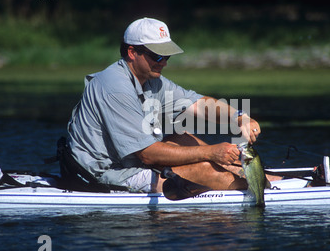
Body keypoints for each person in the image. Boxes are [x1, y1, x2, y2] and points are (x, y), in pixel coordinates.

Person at [65, 17, 264, 193]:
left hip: (132, 161)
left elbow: (197, 104)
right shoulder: (115, 87)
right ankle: (259, 189)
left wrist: (239, 117)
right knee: (204, 168)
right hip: (103, 173)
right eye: (157, 56)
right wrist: (211, 152)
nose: (164, 63)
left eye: (166, 56)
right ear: (132, 52)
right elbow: (148, 155)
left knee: (183, 138)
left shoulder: (153, 80)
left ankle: (258, 179)